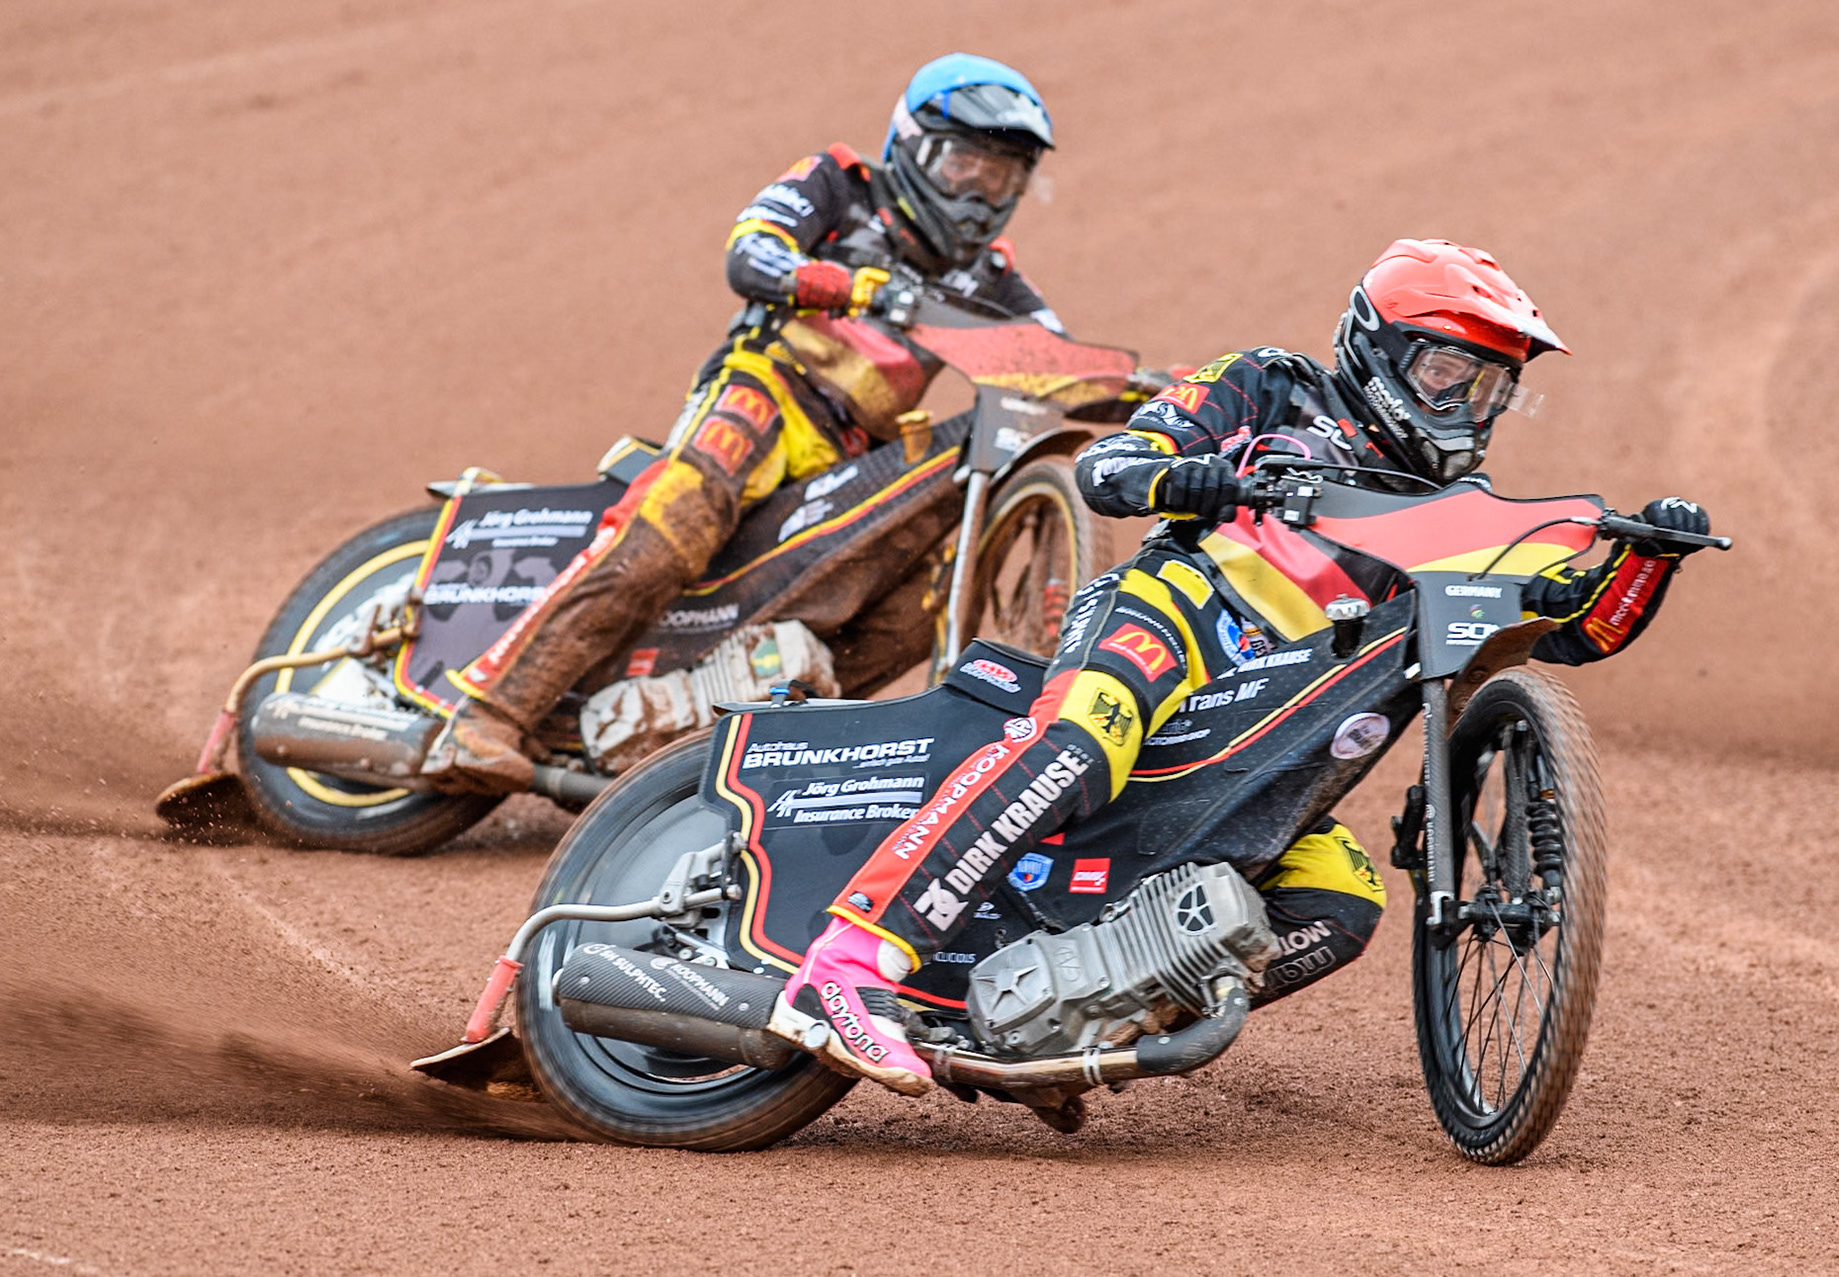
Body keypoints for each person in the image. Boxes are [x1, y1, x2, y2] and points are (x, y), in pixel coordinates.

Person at [769, 238, 1713, 1095]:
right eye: (1447, 372)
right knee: (1076, 742)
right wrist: (1186, 474)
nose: (1468, 406)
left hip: (1276, 726)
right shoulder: (1269, 384)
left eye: (1490, 387)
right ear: (1376, 350)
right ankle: (844, 967)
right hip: (1171, 620)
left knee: (1342, 897)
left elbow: (1571, 632)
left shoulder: (1462, 514)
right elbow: (1109, 467)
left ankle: (1065, 1031)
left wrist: (1648, 558)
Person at [423, 53, 1063, 792]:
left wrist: (1145, 392)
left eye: (1005, 178)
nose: (982, 197)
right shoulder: (840, 185)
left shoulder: (991, 279)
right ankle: (487, 712)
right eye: (966, 168)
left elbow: (1054, 358)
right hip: (766, 387)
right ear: (913, 148)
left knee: (915, 604)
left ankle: (756, 758)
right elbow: (750, 252)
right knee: (680, 517)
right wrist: (850, 286)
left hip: (858, 457)